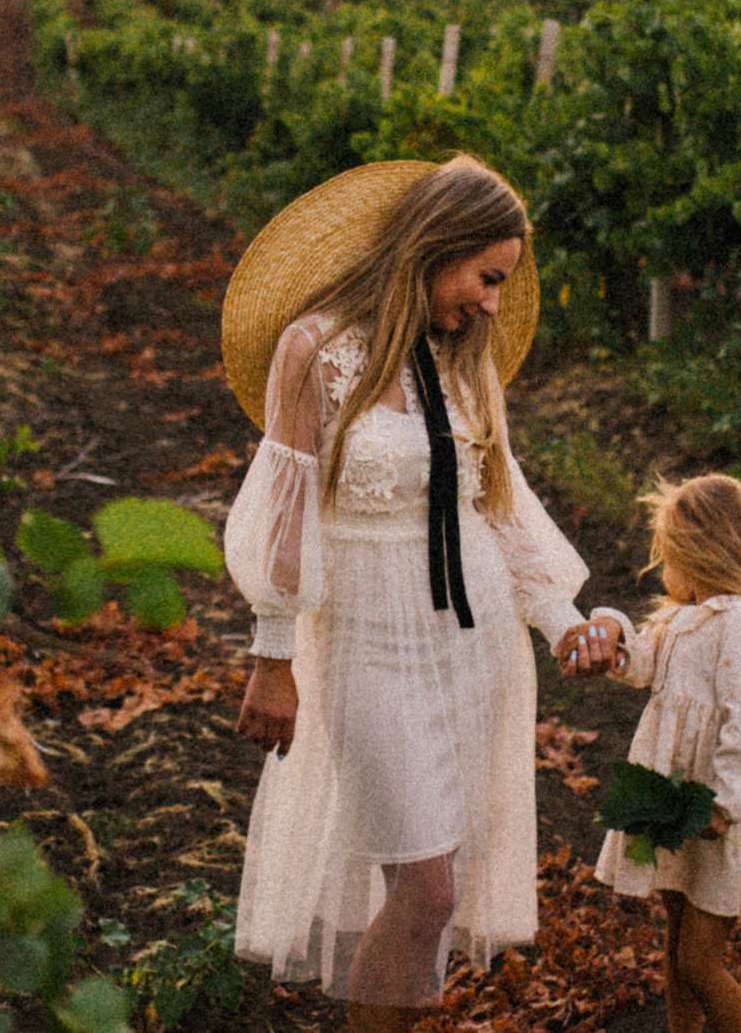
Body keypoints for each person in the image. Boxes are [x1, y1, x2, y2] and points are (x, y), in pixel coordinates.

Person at [219, 156, 601, 1031]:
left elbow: (498, 501)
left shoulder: (464, 356)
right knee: (425, 887)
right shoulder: (314, 348)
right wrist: (272, 653)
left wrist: (561, 619)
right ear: (437, 247)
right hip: (366, 638)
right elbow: (283, 509)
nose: (495, 302)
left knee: (440, 886)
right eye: (487, 277)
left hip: (472, 644)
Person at [568, 474, 741, 1033]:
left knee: (700, 959)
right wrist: (611, 632)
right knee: (676, 947)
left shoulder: (739, 626)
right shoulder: (683, 620)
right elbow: (644, 662)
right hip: (678, 805)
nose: (661, 570)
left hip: (715, 813)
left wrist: (721, 804)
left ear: (701, 556)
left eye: (667, 556)